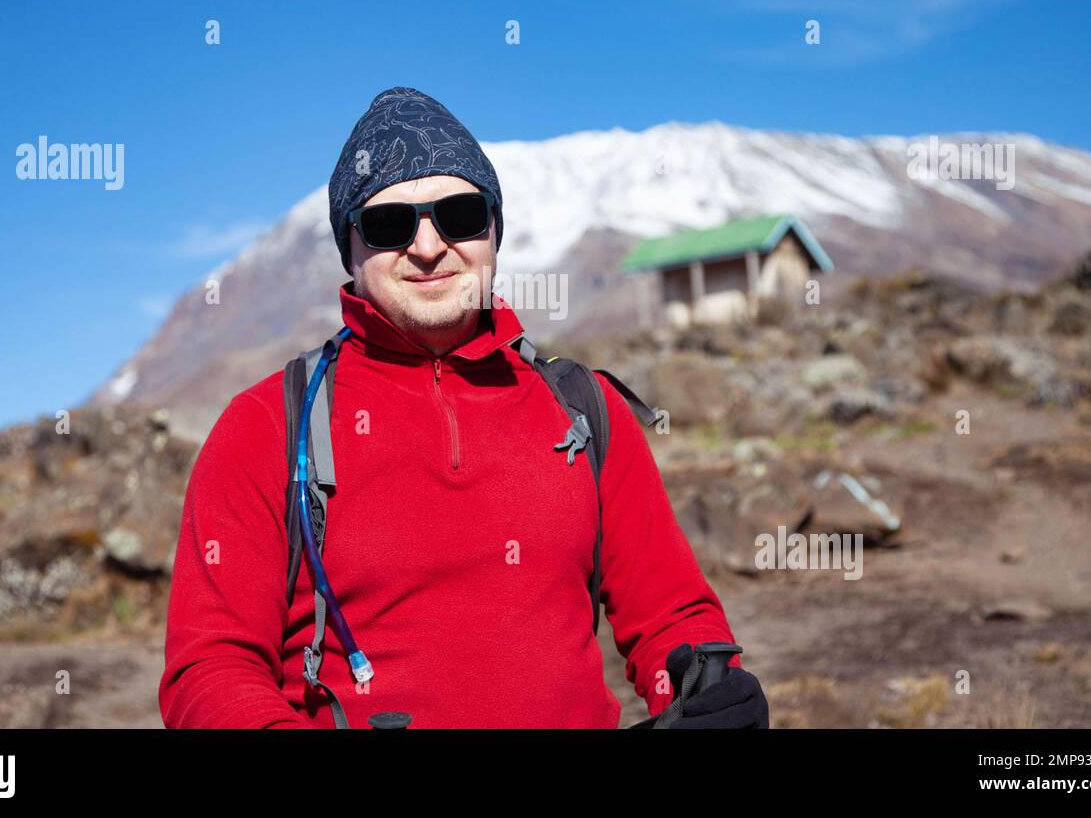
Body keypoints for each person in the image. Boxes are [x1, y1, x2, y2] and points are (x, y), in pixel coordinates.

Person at [158, 86, 768, 729]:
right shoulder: (266, 427)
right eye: (390, 224)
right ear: (351, 250)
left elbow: (670, 613)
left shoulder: (583, 407)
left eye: (461, 214)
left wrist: (701, 682)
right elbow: (211, 669)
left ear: (493, 233)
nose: (428, 246)